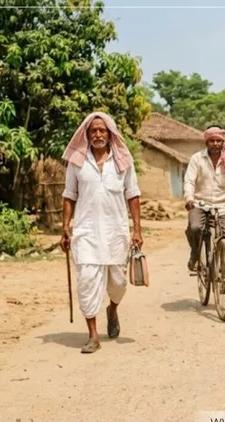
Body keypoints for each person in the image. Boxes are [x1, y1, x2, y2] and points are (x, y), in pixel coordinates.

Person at [60, 112, 143, 354]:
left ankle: (112, 309)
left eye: (102, 130)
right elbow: (69, 195)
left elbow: (133, 194)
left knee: (118, 283)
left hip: (116, 232)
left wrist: (137, 229)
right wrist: (65, 227)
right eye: (93, 131)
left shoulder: (123, 161)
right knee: (87, 281)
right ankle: (93, 335)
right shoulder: (77, 162)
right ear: (86, 134)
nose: (98, 134)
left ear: (110, 134)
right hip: (86, 232)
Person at [184, 125, 225, 277]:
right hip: (200, 204)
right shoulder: (197, 159)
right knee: (195, 228)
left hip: (222, 206)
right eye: (212, 141)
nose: (216, 144)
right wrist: (189, 198)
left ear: (223, 142)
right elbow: (189, 181)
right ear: (206, 142)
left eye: (219, 141)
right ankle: (195, 255)